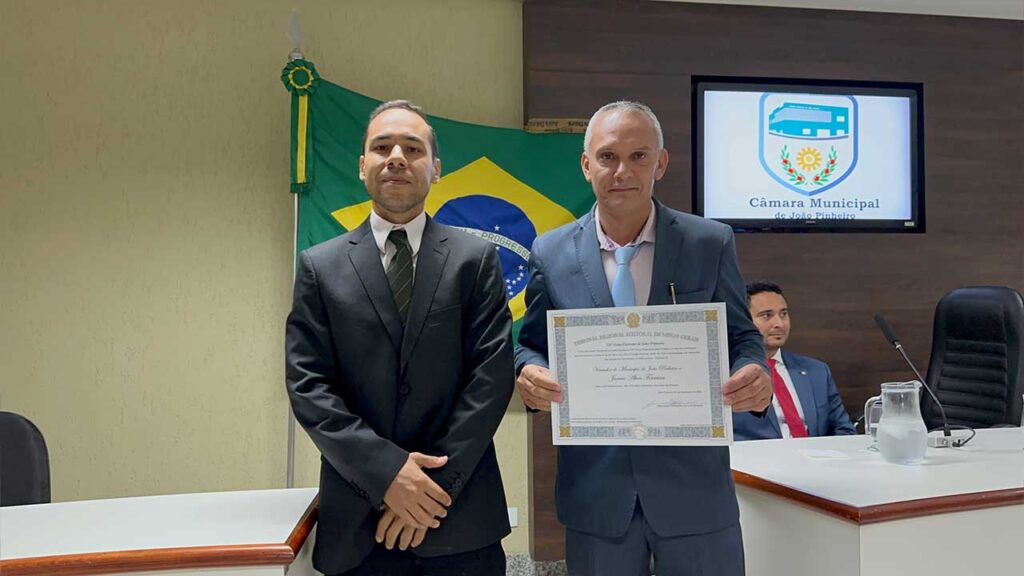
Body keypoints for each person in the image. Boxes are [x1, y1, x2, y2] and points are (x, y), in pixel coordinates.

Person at [514, 101, 772, 576]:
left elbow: (742, 338)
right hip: (597, 494)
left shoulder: (708, 242)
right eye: (608, 156)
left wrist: (753, 375)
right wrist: (528, 371)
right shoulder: (549, 253)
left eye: (638, 156)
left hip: (694, 490)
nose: (622, 171)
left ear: (661, 163)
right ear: (586, 164)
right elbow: (530, 343)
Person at [286, 100, 514, 576]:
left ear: (435, 169)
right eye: (381, 146)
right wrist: (388, 476)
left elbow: (489, 382)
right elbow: (309, 387)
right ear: (362, 165)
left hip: (459, 519)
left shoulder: (476, 261)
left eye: (412, 148)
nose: (396, 156)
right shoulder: (319, 267)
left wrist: (430, 491)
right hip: (357, 525)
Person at [733, 281, 856, 440]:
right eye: (766, 315)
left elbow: (844, 432)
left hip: (816, 461)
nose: (779, 324)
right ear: (743, 320)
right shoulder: (730, 377)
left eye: (783, 314)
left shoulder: (817, 371)